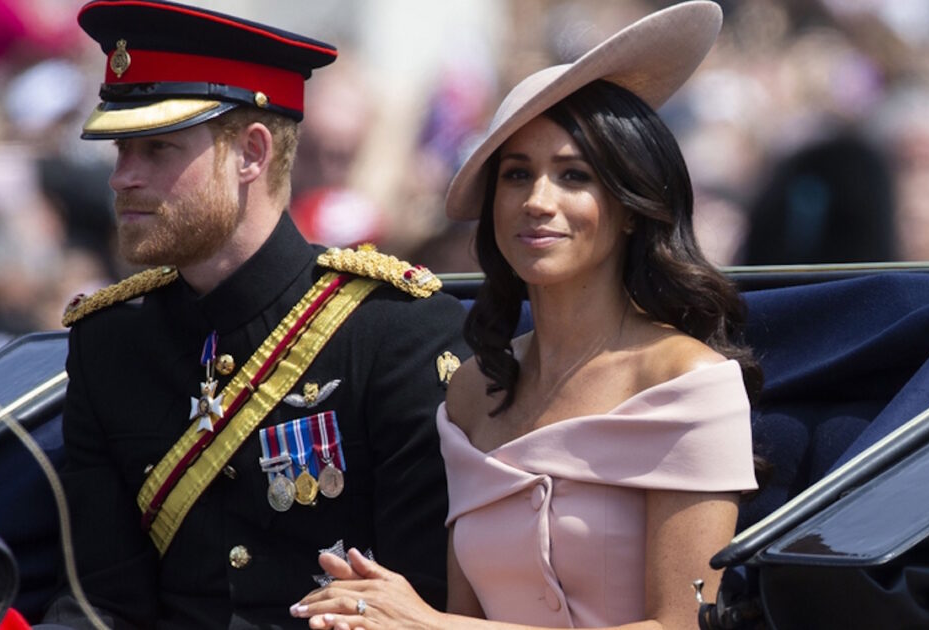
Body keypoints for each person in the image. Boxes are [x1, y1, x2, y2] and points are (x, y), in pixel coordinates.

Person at [292, 3, 760, 629]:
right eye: (517, 175)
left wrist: (428, 625)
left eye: (573, 175)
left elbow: (681, 625)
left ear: (630, 206)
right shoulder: (472, 392)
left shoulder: (686, 381)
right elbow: (468, 617)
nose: (538, 200)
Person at [42, 1, 469, 628]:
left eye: (157, 149)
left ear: (251, 153)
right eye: (121, 151)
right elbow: (100, 602)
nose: (122, 178)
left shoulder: (395, 331)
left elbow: (421, 604)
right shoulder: (109, 342)